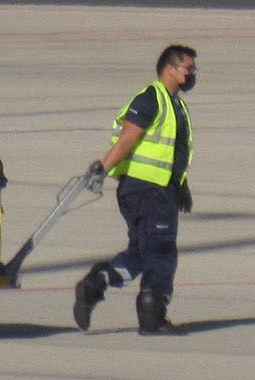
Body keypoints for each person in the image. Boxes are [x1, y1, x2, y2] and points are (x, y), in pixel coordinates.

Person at [73, 43, 198, 336]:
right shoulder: (152, 99)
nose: (192, 74)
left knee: (141, 254)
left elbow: (171, 151)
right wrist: (102, 169)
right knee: (161, 253)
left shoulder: (174, 104)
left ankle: (95, 284)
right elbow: (129, 137)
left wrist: (181, 185)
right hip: (150, 191)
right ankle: (152, 317)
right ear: (170, 68)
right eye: (188, 68)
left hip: (151, 189)